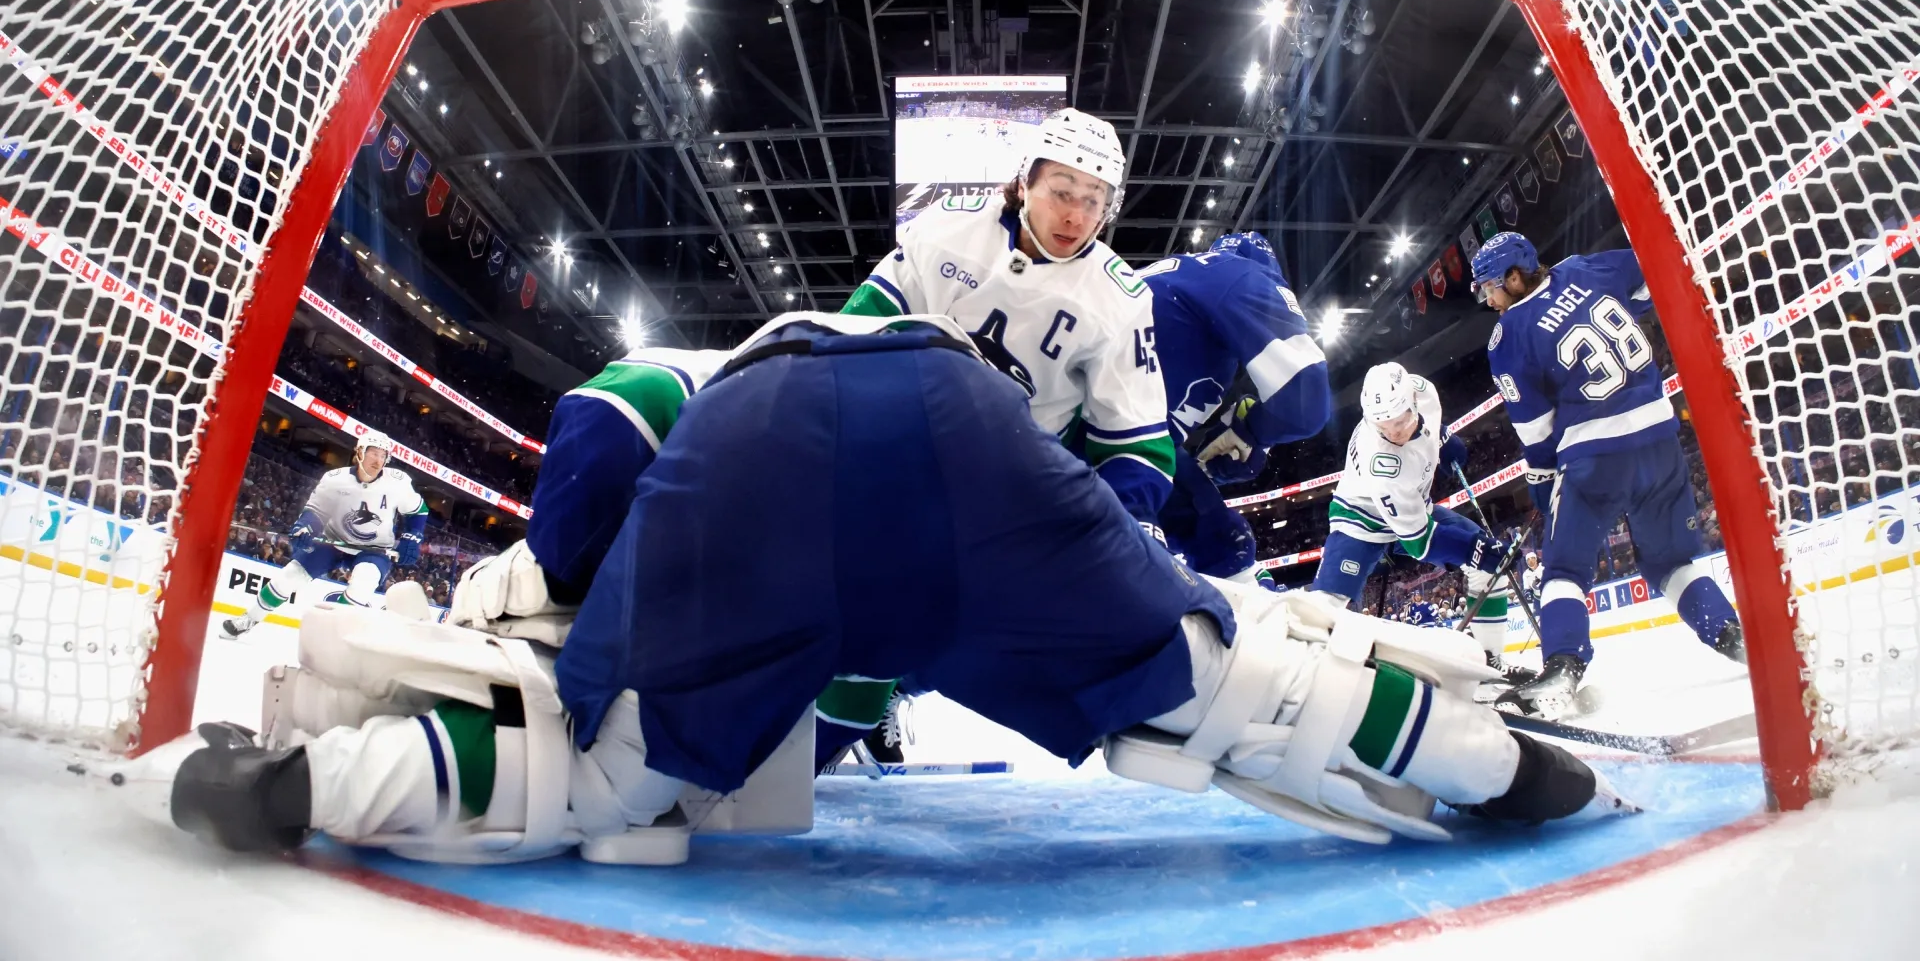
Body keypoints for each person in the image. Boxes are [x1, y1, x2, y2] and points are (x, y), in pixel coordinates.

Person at [156, 311, 1633, 865]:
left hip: (761, 455)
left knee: (585, 776)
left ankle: (295, 787)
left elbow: (610, 419)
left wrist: (561, 567)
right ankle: (1508, 770)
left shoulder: (687, 377)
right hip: (965, 437)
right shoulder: (982, 357)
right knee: (1238, 684)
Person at [834, 107, 1173, 762]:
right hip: (900, 442)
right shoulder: (946, 229)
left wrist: (1118, 530)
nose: (1077, 215)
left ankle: (887, 690)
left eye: (1094, 200)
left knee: (969, 622)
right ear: (1024, 183)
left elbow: (1135, 443)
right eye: (1062, 192)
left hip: (1008, 484)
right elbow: (858, 329)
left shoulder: (1120, 299)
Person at [1472, 232, 1744, 719]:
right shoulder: (1585, 268)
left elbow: (1537, 434)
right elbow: (1650, 277)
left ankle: (1562, 669)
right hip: (1661, 439)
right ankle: (1732, 635)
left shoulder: (1508, 335)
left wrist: (1541, 485)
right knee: (1668, 563)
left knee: (1563, 571)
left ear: (1513, 277)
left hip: (1596, 456)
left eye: (1489, 287)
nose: (1488, 301)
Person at [1136, 231, 1331, 585]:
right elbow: (1306, 399)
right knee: (1140, 568)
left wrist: (1238, 437)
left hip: (1094, 430)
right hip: (1103, 439)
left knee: (1223, 543)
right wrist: (1251, 432)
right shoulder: (1240, 273)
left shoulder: (1178, 284)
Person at [1309, 362, 1516, 672]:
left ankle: (1489, 663)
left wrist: (1440, 437)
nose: (1393, 434)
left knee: (1489, 570)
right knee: (1324, 608)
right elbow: (1419, 541)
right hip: (1362, 520)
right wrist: (1475, 550)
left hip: (1415, 506)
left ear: (1413, 402)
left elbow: (1429, 421)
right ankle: (1311, 671)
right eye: (1383, 427)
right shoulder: (1382, 461)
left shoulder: (1423, 391)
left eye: (1399, 422)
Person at [221, 432, 427, 638]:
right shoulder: (335, 479)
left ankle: (328, 636)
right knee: (290, 576)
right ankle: (249, 618)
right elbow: (316, 511)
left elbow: (418, 511)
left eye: (383, 455)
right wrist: (305, 527)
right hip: (332, 542)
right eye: (373, 453)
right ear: (359, 452)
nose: (378, 460)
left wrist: (413, 537)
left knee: (364, 581)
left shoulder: (398, 483)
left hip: (374, 550)